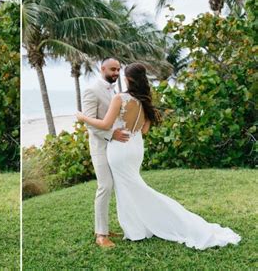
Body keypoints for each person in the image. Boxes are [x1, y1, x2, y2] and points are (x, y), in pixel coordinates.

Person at [76, 63, 241, 250]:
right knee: (131, 187)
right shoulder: (144, 101)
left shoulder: (120, 98)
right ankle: (136, 228)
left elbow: (106, 125)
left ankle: (141, 228)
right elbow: (144, 129)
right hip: (135, 147)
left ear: (128, 79)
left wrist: (82, 117)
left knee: (131, 189)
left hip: (120, 149)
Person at [82, 58, 130, 248]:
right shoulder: (91, 90)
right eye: (112, 69)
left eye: (118, 70)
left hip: (116, 148)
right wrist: (112, 135)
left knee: (118, 184)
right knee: (105, 186)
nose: (116, 73)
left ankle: (108, 228)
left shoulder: (115, 92)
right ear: (102, 69)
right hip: (100, 147)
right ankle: (101, 234)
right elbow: (89, 123)